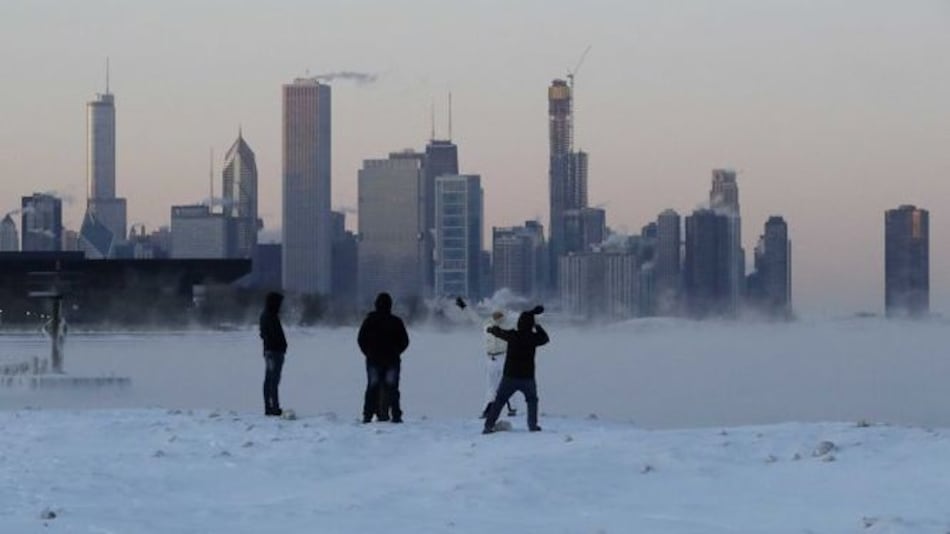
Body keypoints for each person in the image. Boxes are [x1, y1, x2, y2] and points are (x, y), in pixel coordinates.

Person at [482, 305, 549, 434]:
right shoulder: (533, 338)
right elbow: (545, 338)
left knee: (499, 401)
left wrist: (491, 329)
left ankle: (488, 426)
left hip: (510, 376)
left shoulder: (513, 335)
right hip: (527, 377)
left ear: (519, 323)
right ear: (531, 324)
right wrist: (537, 326)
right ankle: (532, 425)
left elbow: (499, 332)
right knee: (532, 400)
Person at [454, 297, 518, 418]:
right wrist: (464, 307)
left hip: (503, 357)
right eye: (495, 314)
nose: (497, 316)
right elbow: (473, 317)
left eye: (499, 314)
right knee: (491, 386)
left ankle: (512, 408)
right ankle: (487, 409)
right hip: (490, 359)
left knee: (507, 383)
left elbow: (522, 320)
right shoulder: (486, 324)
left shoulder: (508, 325)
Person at [357, 292, 410, 423]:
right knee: (392, 388)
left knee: (372, 387)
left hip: (373, 360)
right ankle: (396, 415)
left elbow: (361, 339)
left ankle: (367, 415)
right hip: (392, 360)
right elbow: (405, 341)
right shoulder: (396, 321)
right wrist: (396, 351)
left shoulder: (369, 320)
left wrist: (368, 352)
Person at [259, 292, 288, 416]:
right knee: (273, 380)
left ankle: (270, 406)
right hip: (274, 352)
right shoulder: (270, 316)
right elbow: (273, 335)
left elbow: (264, 334)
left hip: (270, 351)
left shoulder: (267, 315)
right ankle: (273, 407)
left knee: (270, 379)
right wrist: (281, 345)